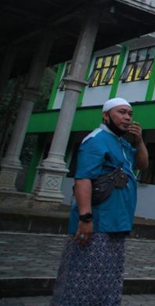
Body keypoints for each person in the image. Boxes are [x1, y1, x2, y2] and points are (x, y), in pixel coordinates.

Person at [50, 97, 148, 306]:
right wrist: (86, 217)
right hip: (97, 222)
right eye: (121, 112)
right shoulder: (96, 140)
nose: (127, 117)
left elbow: (142, 164)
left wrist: (139, 141)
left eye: (130, 114)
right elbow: (83, 179)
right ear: (106, 115)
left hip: (117, 222)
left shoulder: (121, 143)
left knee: (108, 279)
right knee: (83, 276)